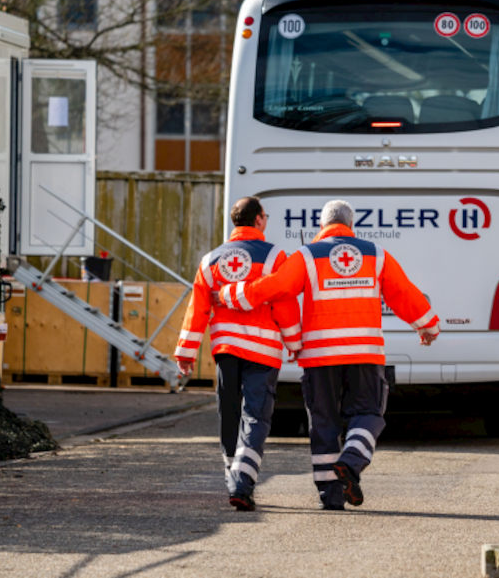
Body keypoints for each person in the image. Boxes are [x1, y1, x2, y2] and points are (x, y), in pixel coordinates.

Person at [214, 199, 439, 510]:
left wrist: (231, 294)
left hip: (319, 356)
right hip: (364, 353)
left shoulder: (307, 255)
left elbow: (277, 287)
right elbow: (402, 292)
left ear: (322, 225)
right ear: (351, 224)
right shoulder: (375, 254)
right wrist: (427, 325)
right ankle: (352, 460)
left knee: (324, 423)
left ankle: (331, 497)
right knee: (369, 413)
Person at [174, 196, 302, 511]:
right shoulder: (274, 257)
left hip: (226, 350)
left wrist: (185, 352)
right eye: (265, 216)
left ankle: (233, 475)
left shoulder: (210, 260)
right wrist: (294, 342)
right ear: (258, 219)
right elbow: (284, 302)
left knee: (228, 413)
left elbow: (198, 310)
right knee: (256, 416)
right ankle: (242, 483)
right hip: (262, 351)